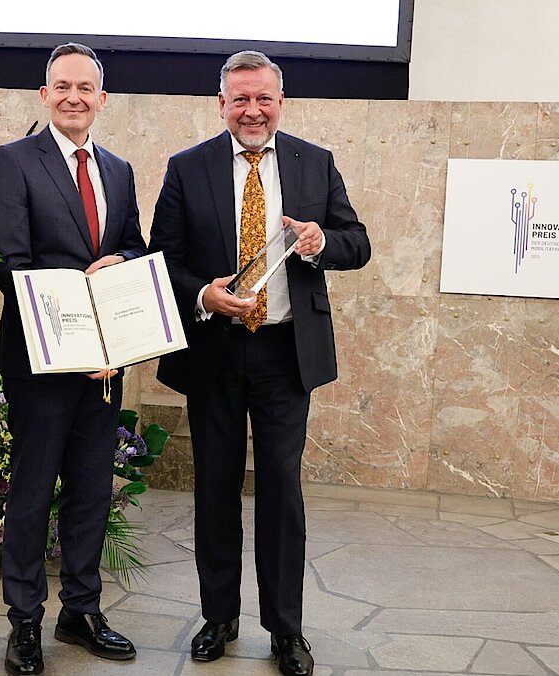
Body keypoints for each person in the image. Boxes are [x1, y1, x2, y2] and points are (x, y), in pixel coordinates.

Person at [149, 50, 371, 676]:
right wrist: (202, 294)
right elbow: (161, 256)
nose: (252, 110)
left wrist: (322, 242)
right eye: (239, 99)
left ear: (280, 101)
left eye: (263, 99)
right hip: (213, 352)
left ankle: (286, 629)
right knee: (215, 490)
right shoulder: (186, 169)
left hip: (284, 355)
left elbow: (358, 243)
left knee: (281, 492)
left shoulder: (314, 163)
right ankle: (218, 618)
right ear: (221, 104)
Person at [0, 42, 147, 676]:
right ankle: (25, 620)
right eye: (61, 86)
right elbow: (9, 261)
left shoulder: (118, 169)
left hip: (104, 368)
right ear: (44, 95)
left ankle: (81, 610)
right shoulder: (12, 162)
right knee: (33, 492)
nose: (73, 97)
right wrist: (82, 285)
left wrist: (118, 279)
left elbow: (132, 250)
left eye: (85, 87)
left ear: (102, 98)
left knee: (93, 490)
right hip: (40, 359)